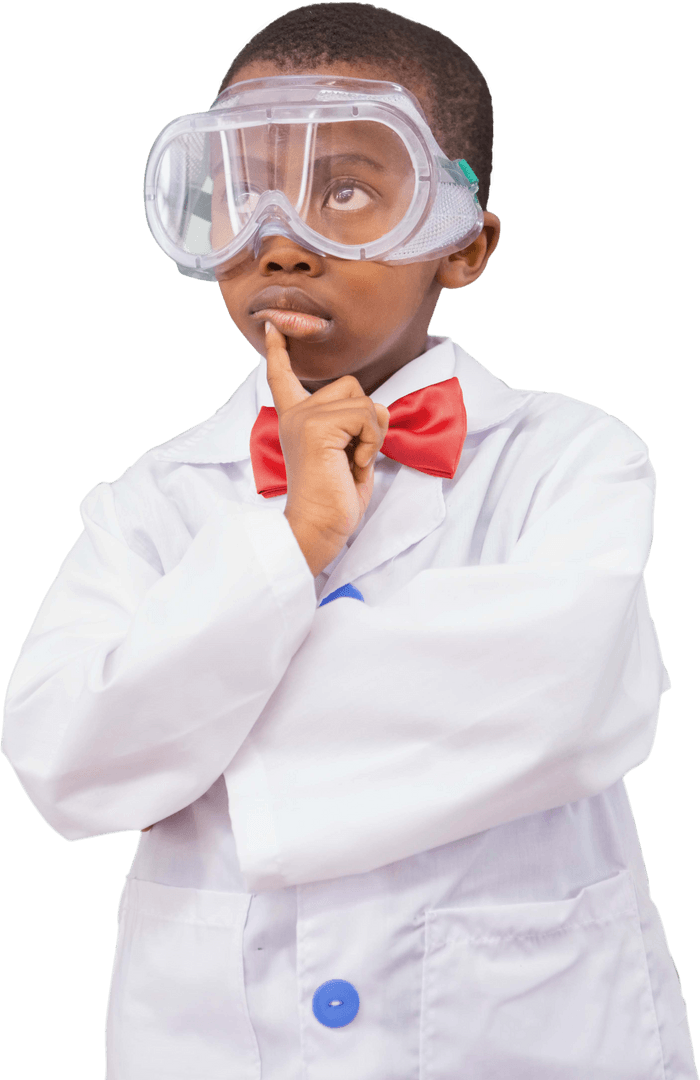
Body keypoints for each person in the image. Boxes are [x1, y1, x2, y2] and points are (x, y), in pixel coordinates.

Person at [2, 3, 697, 1078]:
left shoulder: (572, 456)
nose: (279, 238)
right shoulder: (154, 497)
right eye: (243, 188)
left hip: (530, 1034)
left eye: (348, 191)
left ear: (461, 242)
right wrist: (296, 539)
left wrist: (189, 719)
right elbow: (61, 762)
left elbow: (564, 701)